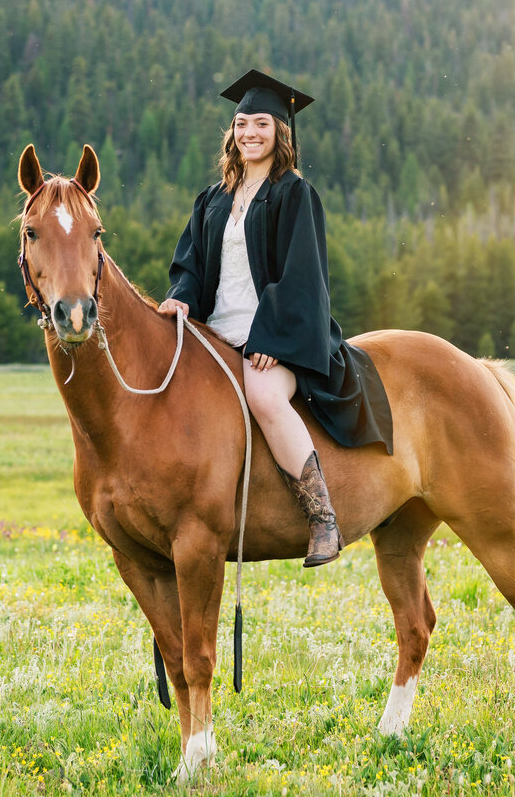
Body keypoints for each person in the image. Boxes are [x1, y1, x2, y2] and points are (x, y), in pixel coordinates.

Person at [159, 69, 394, 567]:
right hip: (216, 333)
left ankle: (322, 518)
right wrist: (180, 297)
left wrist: (273, 337)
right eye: (242, 123)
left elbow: (302, 277)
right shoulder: (213, 199)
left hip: (278, 337)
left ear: (280, 132)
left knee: (265, 395)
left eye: (261, 124)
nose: (250, 133)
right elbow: (191, 265)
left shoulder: (294, 195)